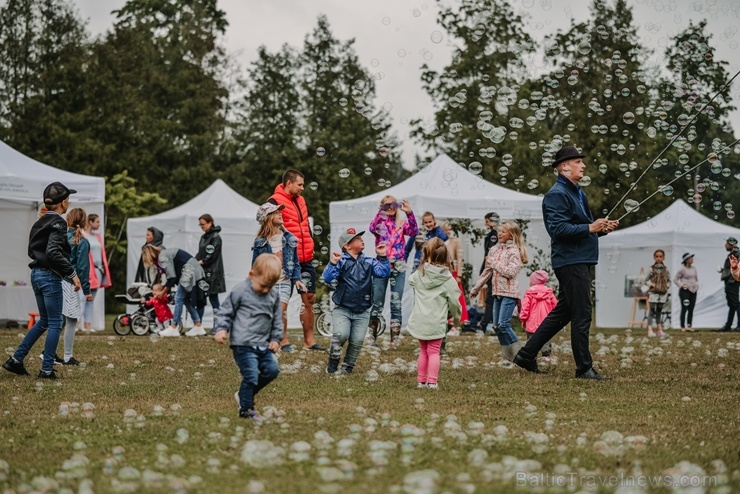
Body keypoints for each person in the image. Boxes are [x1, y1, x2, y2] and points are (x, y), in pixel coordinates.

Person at [513, 146, 619, 379]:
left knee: (563, 313)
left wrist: (601, 229)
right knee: (582, 314)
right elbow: (558, 230)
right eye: (578, 161)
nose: (583, 165)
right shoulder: (557, 194)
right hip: (571, 262)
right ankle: (584, 368)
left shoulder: (578, 193)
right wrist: (591, 227)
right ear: (564, 166)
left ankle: (526, 355)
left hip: (579, 258)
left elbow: (580, 228)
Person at [3, 182, 81, 379]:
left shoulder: (39, 222)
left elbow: (34, 250)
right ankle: (46, 370)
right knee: (55, 323)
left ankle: (16, 360)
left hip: (36, 274)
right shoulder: (59, 223)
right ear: (64, 203)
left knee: (44, 321)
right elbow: (54, 252)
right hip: (49, 275)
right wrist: (72, 274)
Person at [213, 253, 283, 421]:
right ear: (252, 275)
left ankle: (243, 394)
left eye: (270, 286)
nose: (266, 290)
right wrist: (221, 328)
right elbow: (225, 311)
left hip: (264, 344)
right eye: (263, 286)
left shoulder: (273, 295)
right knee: (251, 376)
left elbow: (277, 320)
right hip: (243, 344)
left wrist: (276, 339)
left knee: (272, 370)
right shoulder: (240, 290)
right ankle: (246, 408)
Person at [268, 169, 325, 351]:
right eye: (299, 184)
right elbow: (267, 228)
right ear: (289, 183)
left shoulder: (301, 200)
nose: (302, 188)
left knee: (309, 298)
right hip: (285, 258)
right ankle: (283, 340)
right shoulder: (273, 201)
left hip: (306, 257)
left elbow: (305, 226)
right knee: (281, 300)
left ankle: (309, 341)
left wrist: (311, 246)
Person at [323, 228, 390, 375]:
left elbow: (383, 273)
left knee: (357, 340)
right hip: (342, 309)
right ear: (347, 246)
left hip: (363, 310)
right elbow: (328, 278)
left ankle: (348, 367)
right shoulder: (341, 261)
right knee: (341, 335)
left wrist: (383, 256)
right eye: (357, 238)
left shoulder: (369, 261)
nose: (361, 239)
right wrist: (332, 263)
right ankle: (333, 362)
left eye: (361, 237)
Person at [470, 220, 528, 362]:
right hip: (496, 292)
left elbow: (510, 272)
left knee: (504, 324)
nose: (499, 233)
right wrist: (476, 288)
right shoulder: (494, 249)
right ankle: (509, 357)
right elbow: (487, 272)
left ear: (511, 234)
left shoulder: (514, 251)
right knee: (497, 326)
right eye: (499, 231)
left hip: (509, 293)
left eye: (503, 231)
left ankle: (523, 355)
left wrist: (493, 262)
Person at [407, 238, 462, 389]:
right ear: (446, 257)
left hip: (420, 320)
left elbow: (411, 281)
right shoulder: (448, 279)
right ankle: (432, 382)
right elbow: (455, 303)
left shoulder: (419, 275)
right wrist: (457, 318)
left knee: (423, 350)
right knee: (434, 352)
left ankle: (421, 381)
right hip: (436, 322)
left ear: (426, 255)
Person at [252, 203, 306, 353]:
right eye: (276, 213)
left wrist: (297, 279)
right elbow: (255, 265)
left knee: (280, 310)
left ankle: (282, 340)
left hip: (284, 282)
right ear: (268, 218)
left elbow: (295, 262)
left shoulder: (289, 238)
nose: (280, 214)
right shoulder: (260, 242)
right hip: (267, 283)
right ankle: (274, 339)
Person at [368, 195, 418, 348]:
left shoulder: (401, 223)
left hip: (398, 266)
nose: (390, 207)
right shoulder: (379, 223)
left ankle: (394, 340)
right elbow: (371, 228)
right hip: (382, 265)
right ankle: (372, 338)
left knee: (396, 303)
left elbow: (414, 231)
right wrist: (381, 211)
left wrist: (409, 213)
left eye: (393, 205)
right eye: (386, 205)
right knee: (377, 303)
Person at [141, 245, 207, 337]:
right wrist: (164, 290)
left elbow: (172, 277)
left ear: (149, 255)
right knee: (185, 299)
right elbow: (172, 277)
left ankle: (173, 327)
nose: (150, 263)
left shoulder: (162, 257)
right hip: (192, 269)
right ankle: (198, 325)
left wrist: (162, 292)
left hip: (189, 271)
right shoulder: (164, 254)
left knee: (178, 298)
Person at [59, 208, 93, 365]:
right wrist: (87, 291)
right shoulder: (82, 242)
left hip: (56, 281)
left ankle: (48, 353)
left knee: (56, 321)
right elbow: (83, 268)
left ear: (68, 220)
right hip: (71, 284)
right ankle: (67, 356)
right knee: (71, 320)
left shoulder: (61, 237)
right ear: (84, 222)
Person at [81, 213, 111, 331]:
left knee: (91, 298)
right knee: (83, 297)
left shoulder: (97, 236)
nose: (99, 224)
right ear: (90, 222)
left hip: (98, 270)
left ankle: (88, 325)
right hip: (88, 270)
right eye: (97, 222)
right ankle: (77, 324)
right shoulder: (83, 236)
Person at [519, 270, 557, 361]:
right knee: (545, 338)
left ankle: (531, 355)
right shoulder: (549, 292)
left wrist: (523, 319)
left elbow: (525, 307)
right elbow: (555, 306)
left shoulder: (529, 293)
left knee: (531, 340)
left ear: (534, 282)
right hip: (546, 322)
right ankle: (547, 355)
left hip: (531, 322)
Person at [196, 214, 226, 329]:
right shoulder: (204, 237)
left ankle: (217, 326)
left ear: (210, 222)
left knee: (214, 300)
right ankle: (198, 325)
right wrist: (194, 261)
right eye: (200, 224)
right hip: (203, 273)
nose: (201, 227)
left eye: (203, 224)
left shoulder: (216, 237)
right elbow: (200, 253)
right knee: (201, 299)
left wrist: (202, 261)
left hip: (213, 274)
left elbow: (212, 254)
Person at [441, 221, 470, 331]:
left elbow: (459, 258)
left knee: (456, 299)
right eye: (446, 229)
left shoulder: (455, 241)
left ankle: (456, 325)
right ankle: (446, 323)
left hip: (453, 273)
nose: (448, 232)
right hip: (443, 273)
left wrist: (459, 275)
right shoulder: (440, 241)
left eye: (449, 229)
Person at [478, 212, 500, 334]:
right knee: (491, 297)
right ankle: (489, 324)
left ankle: (486, 324)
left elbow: (490, 255)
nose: (485, 224)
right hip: (490, 270)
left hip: (494, 270)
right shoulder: (491, 235)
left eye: (487, 221)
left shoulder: (496, 236)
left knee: (491, 298)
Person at [644, 249, 671, 338]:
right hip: (653, 293)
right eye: (657, 256)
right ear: (654, 257)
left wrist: (666, 286)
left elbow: (669, 281)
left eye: (660, 256)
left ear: (663, 257)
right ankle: (650, 330)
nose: (659, 258)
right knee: (652, 311)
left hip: (662, 293)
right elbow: (645, 280)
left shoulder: (666, 270)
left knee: (659, 311)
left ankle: (660, 330)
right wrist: (652, 285)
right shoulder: (651, 269)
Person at [674, 253, 698, 332]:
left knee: (691, 308)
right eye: (690, 258)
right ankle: (682, 326)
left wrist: (697, 285)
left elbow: (696, 279)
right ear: (686, 260)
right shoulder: (682, 269)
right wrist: (681, 285)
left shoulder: (694, 268)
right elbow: (675, 279)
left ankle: (689, 325)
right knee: (684, 308)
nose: (692, 259)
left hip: (693, 291)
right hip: (685, 291)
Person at [719, 237, 739, 332]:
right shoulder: (732, 255)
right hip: (729, 282)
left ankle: (739, 325)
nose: (725, 245)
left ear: (731, 244)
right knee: (732, 304)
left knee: (736, 303)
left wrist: (732, 280)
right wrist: (724, 271)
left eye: (726, 243)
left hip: (732, 283)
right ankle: (728, 325)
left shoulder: (736, 254)